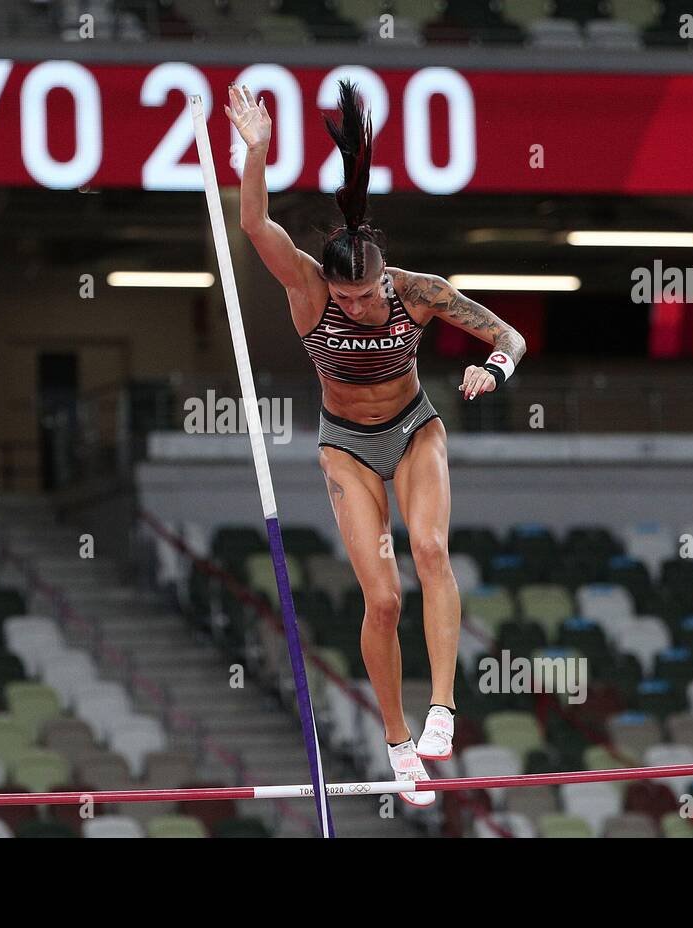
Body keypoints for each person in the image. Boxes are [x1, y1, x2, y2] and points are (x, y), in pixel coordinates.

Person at [225, 79, 527, 805]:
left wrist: (495, 366)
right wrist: (257, 154)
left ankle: (443, 709)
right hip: (347, 448)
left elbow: (506, 333)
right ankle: (398, 745)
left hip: (415, 429)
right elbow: (257, 227)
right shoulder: (307, 288)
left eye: (365, 297)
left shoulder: (419, 291)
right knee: (384, 600)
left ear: (384, 279)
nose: (356, 309)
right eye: (346, 299)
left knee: (430, 551)